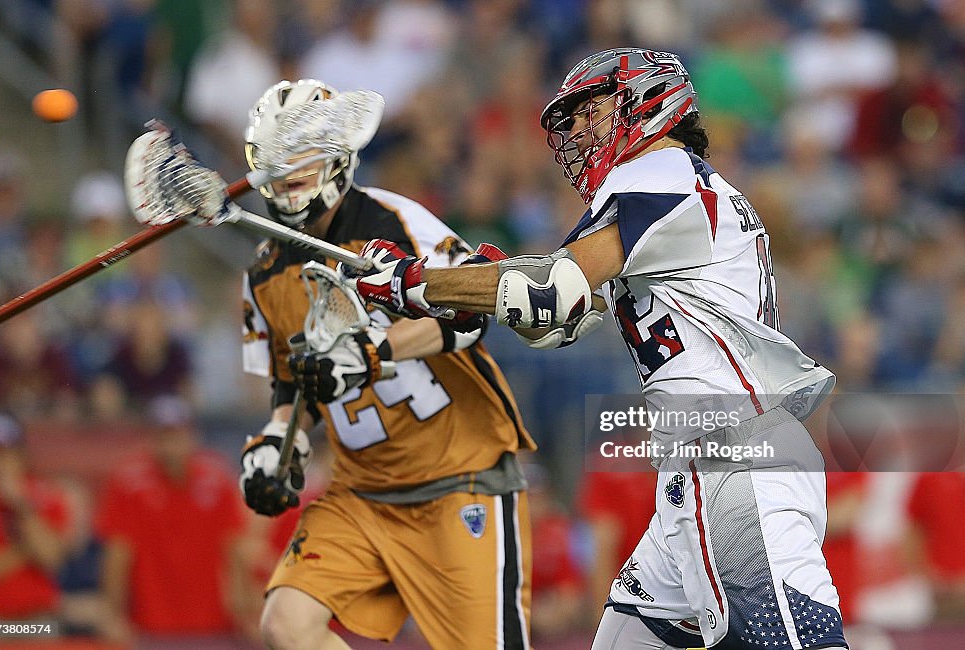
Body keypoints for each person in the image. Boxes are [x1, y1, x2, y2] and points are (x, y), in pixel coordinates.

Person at [347, 49, 846, 649]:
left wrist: (412, 281)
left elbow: (546, 294)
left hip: (731, 457)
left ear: (650, 101)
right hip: (703, 462)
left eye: (593, 110)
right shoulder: (678, 190)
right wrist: (469, 285)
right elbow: (555, 319)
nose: (579, 130)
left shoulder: (659, 174)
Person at [235, 80, 535, 649]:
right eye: (276, 157)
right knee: (286, 624)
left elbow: (472, 313)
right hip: (362, 493)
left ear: (337, 153)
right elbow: (291, 389)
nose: (289, 170)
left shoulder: (395, 222)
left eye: (301, 153)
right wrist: (279, 445)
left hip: (458, 478)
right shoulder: (264, 273)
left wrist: (376, 353)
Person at [94, 395, 248, 643]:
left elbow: (234, 551)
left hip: (213, 624)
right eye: (164, 436)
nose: (171, 444)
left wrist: (245, 610)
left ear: (193, 435)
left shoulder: (217, 479)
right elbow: (117, 555)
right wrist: (113, 614)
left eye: (178, 435)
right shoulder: (128, 483)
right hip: (150, 624)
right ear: (152, 439)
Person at [0, 412, 72, 620]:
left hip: (36, 618)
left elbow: (50, 557)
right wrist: (25, 551)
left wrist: (21, 506)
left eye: (9, 454)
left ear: (22, 455)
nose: (2, 463)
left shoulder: (47, 496)